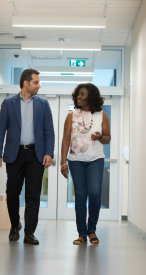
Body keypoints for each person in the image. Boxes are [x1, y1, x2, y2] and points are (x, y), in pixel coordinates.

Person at [0, 68, 55, 245]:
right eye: (36, 82)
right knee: (12, 192)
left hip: (36, 154)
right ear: (25, 83)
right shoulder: (8, 103)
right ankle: (14, 225)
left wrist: (49, 152)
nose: (39, 86)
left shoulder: (43, 104)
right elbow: (0, 131)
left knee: (33, 195)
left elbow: (49, 131)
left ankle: (29, 233)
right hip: (15, 154)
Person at [60, 83, 111, 245]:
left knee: (95, 194)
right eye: (77, 94)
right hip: (75, 161)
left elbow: (108, 138)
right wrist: (63, 162)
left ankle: (92, 230)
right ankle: (82, 234)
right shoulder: (71, 115)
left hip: (95, 159)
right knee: (81, 197)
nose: (78, 97)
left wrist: (99, 137)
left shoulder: (101, 115)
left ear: (91, 96)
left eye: (82, 94)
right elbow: (66, 140)